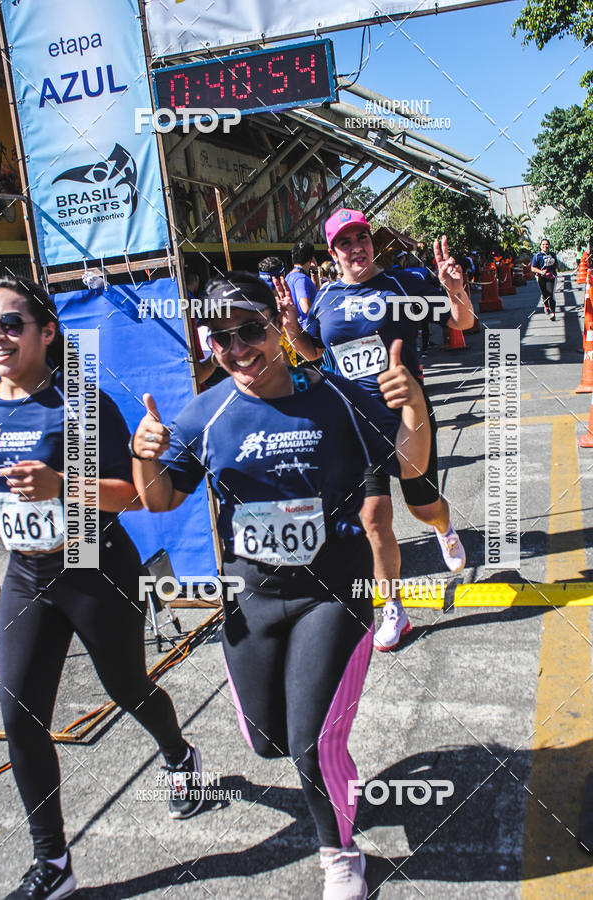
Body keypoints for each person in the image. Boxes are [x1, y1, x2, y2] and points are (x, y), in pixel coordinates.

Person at [131, 271, 431, 900]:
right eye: (222, 338)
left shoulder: (338, 397)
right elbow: (158, 498)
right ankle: (317, 765)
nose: (239, 349)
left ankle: (341, 857)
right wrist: (143, 451)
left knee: (309, 741)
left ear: (279, 325)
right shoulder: (208, 411)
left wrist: (415, 407)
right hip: (252, 598)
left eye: (250, 331)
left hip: (335, 591)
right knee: (267, 741)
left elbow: (411, 462)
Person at [0, 277, 204, 900]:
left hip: (93, 559)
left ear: (46, 331)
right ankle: (52, 863)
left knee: (127, 687)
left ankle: (179, 754)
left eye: (11, 323)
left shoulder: (77, 406)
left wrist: (61, 482)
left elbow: (132, 495)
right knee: (19, 713)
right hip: (27, 572)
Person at [279, 209, 473, 652]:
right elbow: (312, 352)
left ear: (372, 242)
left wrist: (455, 291)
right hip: (355, 429)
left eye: (361, 238)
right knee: (373, 518)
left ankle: (443, 526)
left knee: (422, 507)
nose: (356, 248)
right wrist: (291, 330)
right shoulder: (325, 298)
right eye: (344, 243)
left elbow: (461, 323)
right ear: (332, 253)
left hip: (407, 420)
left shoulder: (405, 285)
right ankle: (394, 611)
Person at [286, 239, 318, 327]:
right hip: (308, 330)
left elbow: (313, 293)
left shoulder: (289, 277)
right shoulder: (301, 279)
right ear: (311, 259)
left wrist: (314, 271)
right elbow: (306, 307)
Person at [531, 238, 558, 321]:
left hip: (551, 277)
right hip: (541, 278)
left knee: (550, 294)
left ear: (549, 246)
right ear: (540, 246)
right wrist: (541, 272)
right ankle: (546, 305)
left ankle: (553, 312)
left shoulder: (552, 254)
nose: (545, 246)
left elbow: (556, 263)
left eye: (546, 244)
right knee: (544, 294)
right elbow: (532, 268)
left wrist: (557, 268)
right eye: (543, 244)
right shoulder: (537, 256)